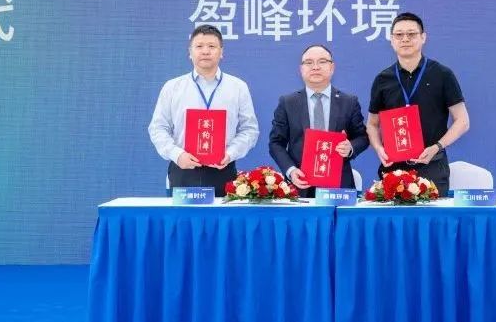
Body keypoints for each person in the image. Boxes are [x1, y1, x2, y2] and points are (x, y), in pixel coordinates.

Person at [148, 24, 259, 196]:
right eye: (199, 46)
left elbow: (249, 129)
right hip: (183, 170)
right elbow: (158, 128)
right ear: (190, 52)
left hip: (223, 171)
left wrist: (230, 153)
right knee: (182, 215)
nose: (205, 51)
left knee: (223, 215)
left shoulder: (238, 87)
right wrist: (177, 155)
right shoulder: (172, 87)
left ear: (221, 52)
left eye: (212, 46)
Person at [366, 12, 469, 195]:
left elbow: (462, 121)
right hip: (393, 170)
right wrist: (379, 148)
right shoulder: (383, 79)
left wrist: (437, 147)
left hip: (432, 166)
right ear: (391, 40)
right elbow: (372, 124)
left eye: (411, 34)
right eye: (399, 35)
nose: (405, 39)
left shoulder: (442, 74)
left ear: (423, 37)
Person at [269, 44, 369, 197]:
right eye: (309, 62)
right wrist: (291, 171)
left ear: (332, 67)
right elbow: (276, 143)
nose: (315, 67)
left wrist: (350, 147)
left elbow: (362, 137)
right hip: (300, 185)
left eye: (322, 61)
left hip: (339, 185)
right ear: (301, 69)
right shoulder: (288, 103)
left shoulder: (349, 102)